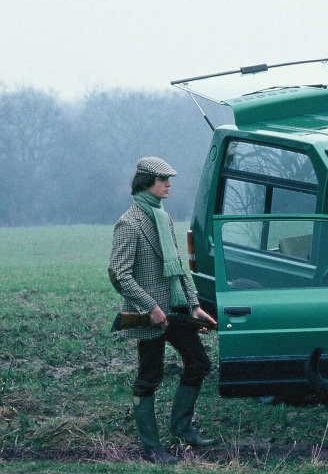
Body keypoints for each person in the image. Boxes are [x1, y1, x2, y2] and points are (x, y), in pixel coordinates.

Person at [109, 157, 218, 463]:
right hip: (150, 315)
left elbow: (177, 267)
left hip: (176, 309)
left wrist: (194, 306)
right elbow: (120, 274)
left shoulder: (163, 216)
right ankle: (152, 448)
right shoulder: (129, 223)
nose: (169, 184)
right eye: (163, 179)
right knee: (149, 378)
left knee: (198, 363)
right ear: (147, 182)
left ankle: (182, 429)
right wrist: (150, 307)